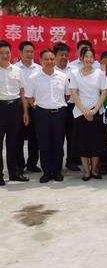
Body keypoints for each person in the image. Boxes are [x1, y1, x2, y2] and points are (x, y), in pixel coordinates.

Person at [25, 49, 69, 183]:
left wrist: (58, 105)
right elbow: (29, 97)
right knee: (44, 144)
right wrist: (39, 107)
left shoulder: (62, 76)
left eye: (51, 59)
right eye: (46, 59)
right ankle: (47, 172)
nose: (49, 62)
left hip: (59, 114)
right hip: (41, 114)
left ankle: (56, 171)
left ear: (55, 60)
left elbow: (67, 95)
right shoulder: (33, 78)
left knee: (58, 143)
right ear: (40, 60)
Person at [69, 47, 107, 180]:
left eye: (91, 56)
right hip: (80, 113)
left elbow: (104, 92)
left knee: (96, 142)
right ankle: (86, 171)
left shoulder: (100, 73)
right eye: (86, 56)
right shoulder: (74, 73)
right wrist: (84, 110)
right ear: (81, 58)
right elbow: (73, 92)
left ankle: (94, 170)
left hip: (97, 111)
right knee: (82, 143)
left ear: (94, 59)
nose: (88, 59)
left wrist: (95, 110)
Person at [0, 40, 29, 186]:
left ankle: (14, 173)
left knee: (14, 143)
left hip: (15, 108)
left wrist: (25, 112)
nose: (5, 55)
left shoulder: (17, 71)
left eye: (7, 52)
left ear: (11, 53)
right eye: (2, 53)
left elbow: (22, 93)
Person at [53, 42, 80, 171]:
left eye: (66, 55)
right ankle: (56, 162)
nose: (64, 57)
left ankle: (72, 161)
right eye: (61, 55)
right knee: (57, 136)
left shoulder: (73, 71)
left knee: (72, 135)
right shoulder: (50, 70)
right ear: (55, 55)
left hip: (71, 107)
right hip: (56, 107)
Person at [16, 41, 41, 173]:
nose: (30, 54)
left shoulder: (38, 68)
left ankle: (32, 164)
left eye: (31, 51)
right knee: (18, 137)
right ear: (20, 53)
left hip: (34, 106)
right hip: (18, 106)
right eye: (27, 51)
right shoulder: (15, 68)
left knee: (34, 137)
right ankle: (19, 166)